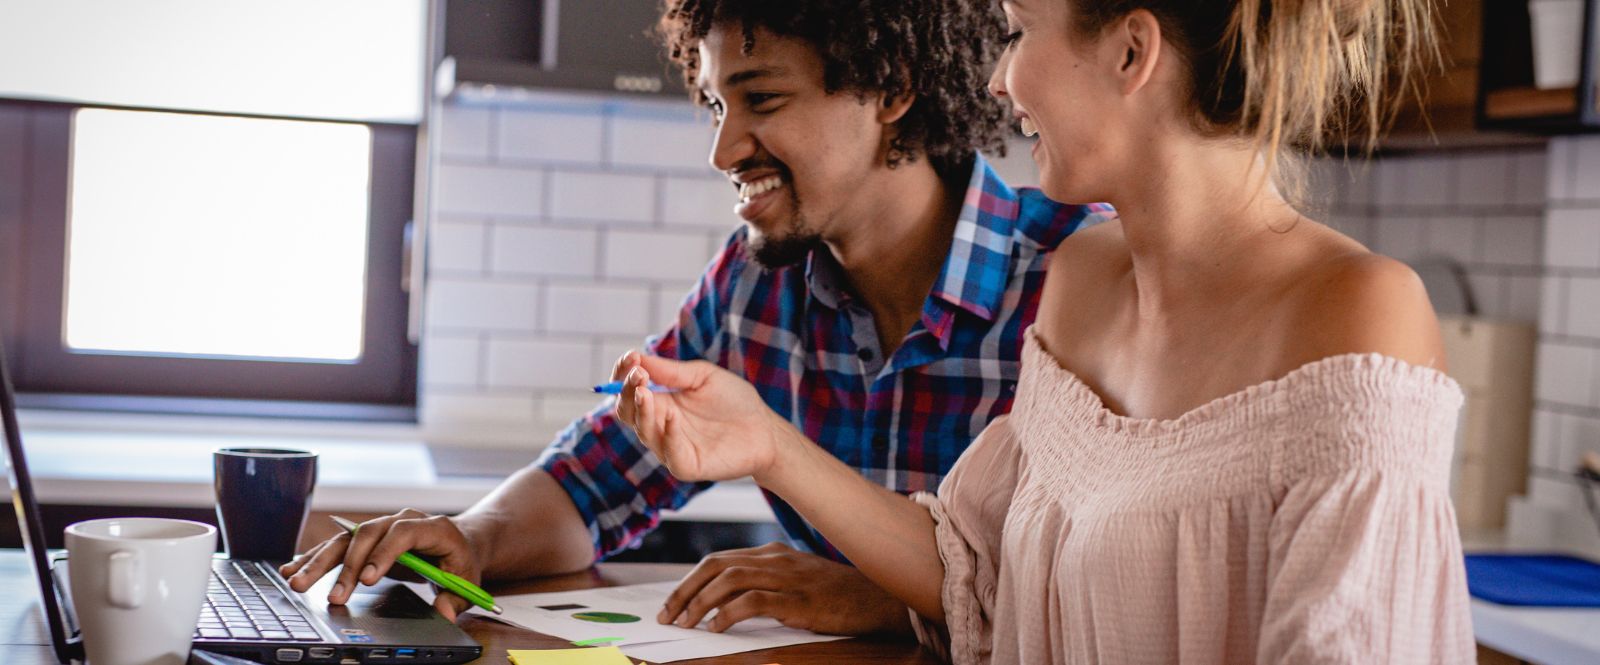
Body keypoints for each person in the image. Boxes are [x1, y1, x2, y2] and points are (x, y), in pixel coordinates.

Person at [614, 0, 1475, 661]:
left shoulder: (1359, 312)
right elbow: (976, 574)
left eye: (1020, 31)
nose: (998, 81)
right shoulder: (1084, 284)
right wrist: (766, 443)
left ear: (1130, 52)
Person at [280, 0, 1113, 637]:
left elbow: (1105, 590)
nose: (724, 150)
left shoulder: (1081, 277)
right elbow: (601, 474)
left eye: (762, 98)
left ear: (891, 87)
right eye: (718, 106)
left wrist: (887, 601)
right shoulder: (755, 285)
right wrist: (474, 536)